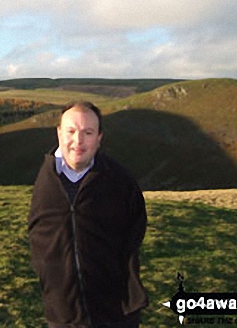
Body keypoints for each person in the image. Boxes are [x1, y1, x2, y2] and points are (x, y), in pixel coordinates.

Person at [28, 101, 148, 328]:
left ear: (100, 137)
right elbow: (37, 234)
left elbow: (136, 229)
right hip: (63, 315)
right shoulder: (46, 180)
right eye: (71, 131)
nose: (78, 141)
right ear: (59, 133)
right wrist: (50, 280)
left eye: (88, 132)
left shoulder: (119, 180)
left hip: (115, 313)